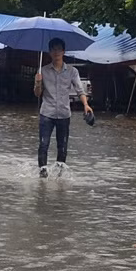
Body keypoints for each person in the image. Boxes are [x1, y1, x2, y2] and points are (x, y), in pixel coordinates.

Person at [34, 37, 93, 178]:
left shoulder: (72, 71)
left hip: (64, 114)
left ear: (63, 51)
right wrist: (38, 83)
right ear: (49, 52)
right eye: (53, 49)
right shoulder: (42, 71)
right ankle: (42, 174)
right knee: (43, 145)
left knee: (62, 147)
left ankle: (59, 177)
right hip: (47, 113)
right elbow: (37, 94)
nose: (56, 52)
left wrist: (86, 105)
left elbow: (80, 90)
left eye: (59, 49)